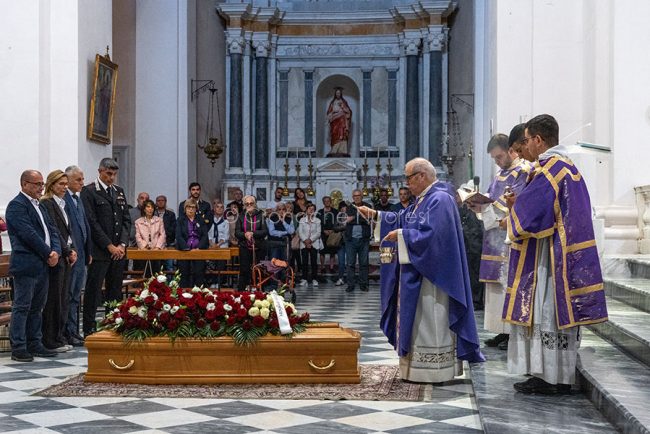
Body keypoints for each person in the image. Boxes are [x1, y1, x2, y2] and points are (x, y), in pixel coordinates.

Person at [505, 114, 608, 394]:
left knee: (547, 313)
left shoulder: (549, 169)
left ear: (538, 140)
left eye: (526, 140)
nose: (525, 146)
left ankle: (550, 378)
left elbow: (530, 218)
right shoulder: (567, 167)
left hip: (549, 260)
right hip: (561, 253)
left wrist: (514, 209)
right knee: (555, 317)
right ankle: (555, 375)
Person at [357, 158, 484, 383]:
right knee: (419, 321)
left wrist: (403, 236)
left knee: (430, 320)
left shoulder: (440, 199)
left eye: (408, 178)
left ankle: (434, 370)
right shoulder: (424, 200)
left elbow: (435, 237)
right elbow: (404, 219)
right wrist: (376, 215)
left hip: (434, 277)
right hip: (421, 272)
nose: (406, 185)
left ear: (422, 176)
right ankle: (416, 368)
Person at [468, 132, 530, 350]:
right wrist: (477, 206)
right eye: (494, 158)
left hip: (507, 239)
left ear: (511, 150)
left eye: (499, 156)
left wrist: (488, 207)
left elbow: (516, 204)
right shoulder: (500, 175)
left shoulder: (522, 172)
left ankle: (511, 333)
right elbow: (491, 200)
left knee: (507, 286)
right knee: (495, 289)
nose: (497, 161)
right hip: (492, 237)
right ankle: (500, 331)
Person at [5, 170, 62, 361]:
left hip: (43, 263)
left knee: (38, 307)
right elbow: (28, 234)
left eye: (42, 184)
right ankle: (19, 346)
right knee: (22, 306)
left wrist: (56, 251)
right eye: (37, 184)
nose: (41, 188)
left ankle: (35, 342)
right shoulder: (16, 206)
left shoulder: (40, 205)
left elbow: (52, 230)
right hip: (27, 264)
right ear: (24, 184)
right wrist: (48, 253)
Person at [81, 158, 131, 337]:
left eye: (114, 174)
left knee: (115, 290)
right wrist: (109, 245)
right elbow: (92, 222)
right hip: (101, 251)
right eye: (108, 174)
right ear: (100, 171)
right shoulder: (90, 191)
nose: (112, 178)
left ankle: (113, 322)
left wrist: (123, 245)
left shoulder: (118, 191)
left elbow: (126, 220)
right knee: (94, 290)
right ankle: (89, 326)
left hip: (119, 251)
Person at [40, 170, 78, 353]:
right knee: (54, 299)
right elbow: (53, 230)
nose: (64, 187)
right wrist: (66, 250)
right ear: (51, 184)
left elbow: (67, 231)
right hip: (58, 254)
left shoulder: (62, 204)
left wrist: (72, 250)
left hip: (65, 254)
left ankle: (60, 336)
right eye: (60, 184)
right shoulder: (47, 203)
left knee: (63, 298)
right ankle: (50, 339)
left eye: (65, 184)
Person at [63, 165, 91, 346]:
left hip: (82, 254)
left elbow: (84, 226)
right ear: (68, 181)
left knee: (76, 295)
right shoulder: (63, 199)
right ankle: (66, 331)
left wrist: (88, 252)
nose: (82, 183)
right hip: (71, 256)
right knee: (68, 294)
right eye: (78, 180)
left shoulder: (78, 199)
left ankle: (74, 330)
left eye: (82, 179)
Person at [235, 196, 268, 290]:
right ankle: (241, 293)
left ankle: (260, 291)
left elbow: (265, 231)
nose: (249, 205)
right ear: (244, 205)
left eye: (251, 203)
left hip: (259, 247)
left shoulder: (261, 215)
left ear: (255, 204)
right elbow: (237, 232)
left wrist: (253, 233)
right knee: (244, 270)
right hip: (245, 246)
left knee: (260, 269)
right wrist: (245, 234)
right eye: (247, 204)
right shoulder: (241, 216)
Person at [176, 199, 209, 288]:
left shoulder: (201, 220)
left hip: (198, 251)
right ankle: (183, 295)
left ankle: (198, 294)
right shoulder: (180, 220)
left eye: (193, 207)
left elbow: (204, 236)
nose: (191, 209)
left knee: (199, 273)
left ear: (196, 209)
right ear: (185, 208)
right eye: (188, 207)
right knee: (184, 274)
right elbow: (179, 236)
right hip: (184, 251)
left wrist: (198, 247)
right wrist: (187, 248)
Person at [344, 189, 372, 293]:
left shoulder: (367, 206)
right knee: (350, 263)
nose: (357, 197)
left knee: (364, 263)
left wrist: (355, 218)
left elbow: (367, 220)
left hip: (364, 239)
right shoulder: (348, 206)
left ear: (362, 196)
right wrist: (358, 217)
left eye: (358, 195)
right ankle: (350, 285)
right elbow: (346, 220)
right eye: (355, 196)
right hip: (350, 240)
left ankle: (363, 284)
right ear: (353, 197)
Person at [135, 199, 166, 277]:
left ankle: (156, 288)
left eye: (152, 207)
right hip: (143, 250)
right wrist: (145, 246)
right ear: (144, 209)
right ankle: (144, 288)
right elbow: (138, 236)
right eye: (148, 207)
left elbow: (162, 235)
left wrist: (157, 247)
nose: (150, 209)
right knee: (145, 272)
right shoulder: (138, 222)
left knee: (156, 272)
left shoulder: (159, 220)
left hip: (156, 250)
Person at [298, 203, 323, 287]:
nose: (311, 210)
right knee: (304, 262)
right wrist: (305, 240)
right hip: (303, 243)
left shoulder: (317, 220)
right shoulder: (302, 220)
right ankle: (304, 279)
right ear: (306, 210)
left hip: (314, 243)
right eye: (309, 209)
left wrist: (310, 240)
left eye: (313, 209)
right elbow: (300, 232)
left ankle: (314, 279)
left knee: (314, 262)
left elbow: (318, 233)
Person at [207, 199, 230, 287]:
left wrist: (217, 244)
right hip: (211, 246)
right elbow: (208, 233)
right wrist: (211, 243)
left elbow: (226, 236)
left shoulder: (226, 222)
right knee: (212, 266)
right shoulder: (210, 221)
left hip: (222, 246)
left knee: (220, 266)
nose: (219, 209)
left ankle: (219, 283)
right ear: (214, 208)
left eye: (221, 207)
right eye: (217, 207)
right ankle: (212, 282)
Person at [326, 87, 352, 157]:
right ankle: (334, 150)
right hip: (334, 122)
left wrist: (343, 107)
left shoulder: (343, 102)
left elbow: (349, 112)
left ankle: (343, 150)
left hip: (342, 121)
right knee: (334, 134)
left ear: (341, 94)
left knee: (342, 134)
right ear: (335, 94)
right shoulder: (332, 103)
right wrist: (332, 113)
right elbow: (328, 112)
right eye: (337, 93)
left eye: (339, 93)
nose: (338, 94)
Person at [317, 196, 338, 276]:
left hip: (332, 233)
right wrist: (323, 230)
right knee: (322, 251)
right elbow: (318, 223)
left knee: (332, 251)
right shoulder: (320, 212)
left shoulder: (335, 211)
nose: (327, 202)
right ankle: (322, 267)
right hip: (323, 233)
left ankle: (331, 267)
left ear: (330, 201)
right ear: (323, 202)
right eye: (325, 201)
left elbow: (337, 222)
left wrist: (332, 230)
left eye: (328, 201)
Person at [155, 195, 176, 271]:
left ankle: (170, 282)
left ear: (165, 202)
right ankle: (157, 282)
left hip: (169, 243)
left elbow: (173, 229)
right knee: (157, 266)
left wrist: (163, 235)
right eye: (158, 200)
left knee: (169, 266)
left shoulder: (171, 214)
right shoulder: (153, 214)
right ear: (156, 203)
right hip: (155, 244)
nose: (160, 202)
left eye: (162, 200)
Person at [333, 202, 348, 286]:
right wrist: (344, 227)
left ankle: (350, 279)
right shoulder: (338, 217)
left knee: (349, 262)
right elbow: (335, 228)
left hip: (349, 242)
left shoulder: (350, 217)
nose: (343, 209)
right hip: (340, 242)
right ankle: (340, 278)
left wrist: (342, 227)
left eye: (345, 207)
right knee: (341, 262)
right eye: (341, 207)